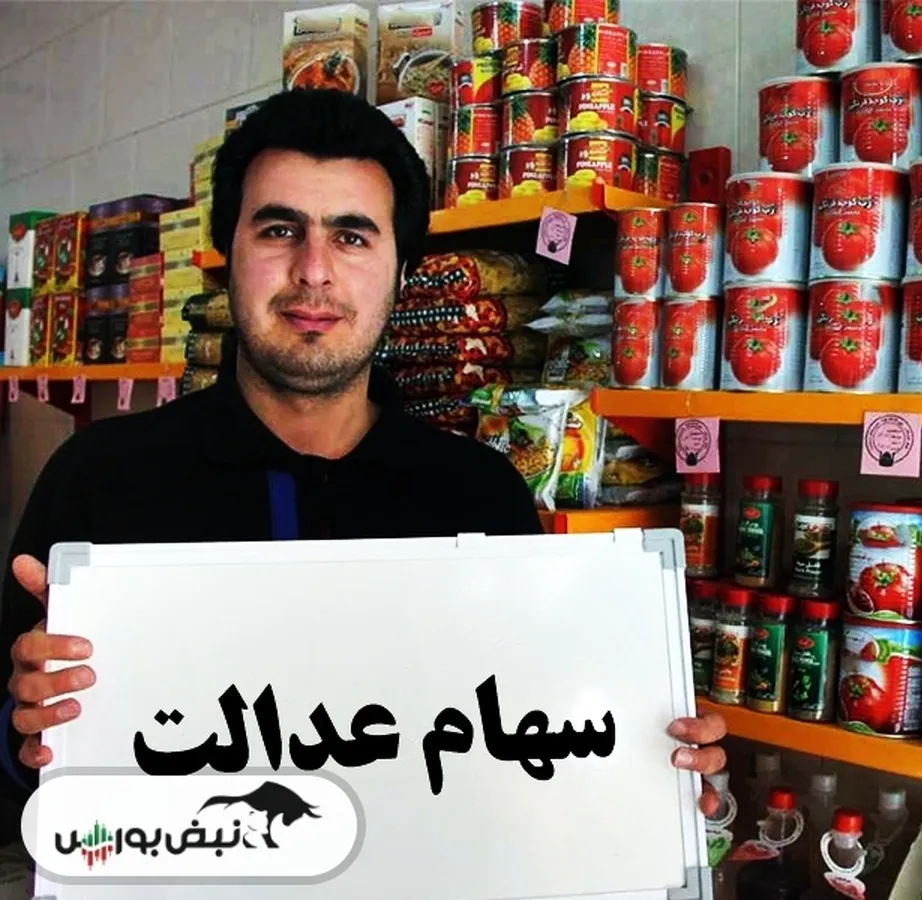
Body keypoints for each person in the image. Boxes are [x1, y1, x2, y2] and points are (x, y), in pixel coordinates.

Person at [0, 88, 726, 810]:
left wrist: (649, 771)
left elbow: (535, 738)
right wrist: (25, 725)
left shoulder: (480, 494)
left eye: (352, 237)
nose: (314, 270)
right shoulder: (101, 477)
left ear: (401, 273)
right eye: (279, 230)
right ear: (227, 257)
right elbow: (10, 739)